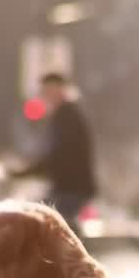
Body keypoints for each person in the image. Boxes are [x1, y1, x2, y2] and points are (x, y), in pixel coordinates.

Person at [11, 72, 99, 236]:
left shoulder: (67, 116)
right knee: (46, 226)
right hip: (67, 187)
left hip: (71, 189)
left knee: (42, 227)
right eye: (44, 92)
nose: (45, 96)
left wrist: (23, 173)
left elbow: (57, 156)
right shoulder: (63, 115)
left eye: (49, 91)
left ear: (61, 90)